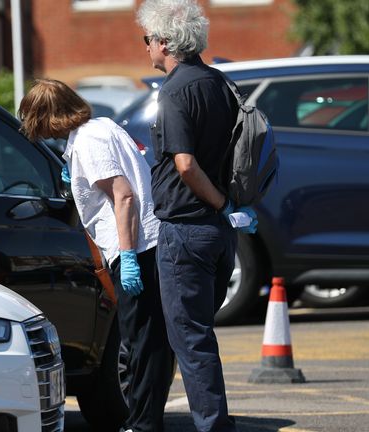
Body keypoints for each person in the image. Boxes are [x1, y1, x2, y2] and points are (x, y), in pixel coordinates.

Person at [18, 79, 174, 432]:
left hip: (136, 245)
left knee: (139, 341)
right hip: (148, 241)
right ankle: (146, 421)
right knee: (147, 339)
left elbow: (124, 195)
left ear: (48, 117)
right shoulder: (100, 128)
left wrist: (128, 254)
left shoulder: (88, 142)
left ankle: (143, 424)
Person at [136, 0, 253, 431]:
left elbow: (184, 164)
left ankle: (212, 425)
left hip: (186, 227)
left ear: (164, 42)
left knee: (191, 340)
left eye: (147, 39)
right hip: (219, 232)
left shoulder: (174, 90)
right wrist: (227, 208)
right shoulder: (220, 83)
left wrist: (219, 204)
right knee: (200, 335)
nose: (146, 48)